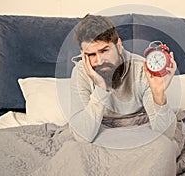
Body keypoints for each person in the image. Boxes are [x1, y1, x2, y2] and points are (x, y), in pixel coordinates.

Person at [69, 14, 177, 143]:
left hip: (139, 132)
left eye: (104, 51)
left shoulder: (141, 69)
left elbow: (166, 135)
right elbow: (82, 136)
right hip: (99, 133)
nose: (99, 61)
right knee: (75, 154)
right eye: (91, 54)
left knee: (164, 147)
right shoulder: (81, 72)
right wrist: (101, 88)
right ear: (83, 55)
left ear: (118, 46)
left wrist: (158, 95)